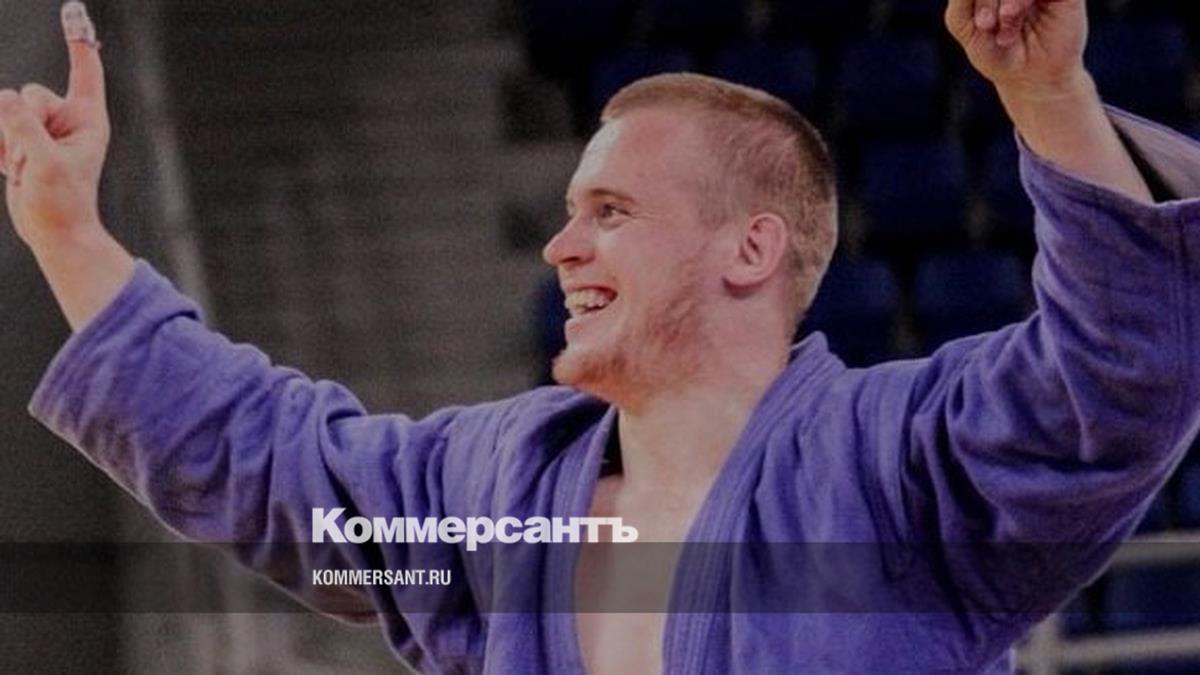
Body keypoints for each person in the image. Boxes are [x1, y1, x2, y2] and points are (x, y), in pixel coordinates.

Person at [4, 0, 1200, 672]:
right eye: (570, 212)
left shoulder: (896, 467)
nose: (561, 247)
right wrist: (68, 234)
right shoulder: (492, 502)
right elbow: (277, 470)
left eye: (611, 212)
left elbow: (1115, 381)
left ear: (750, 249)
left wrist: (1048, 95)